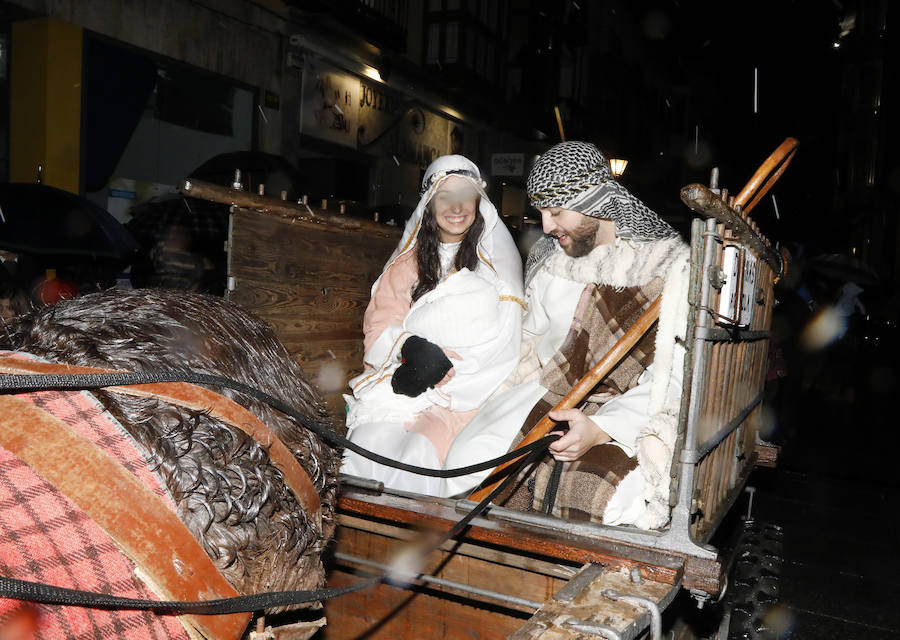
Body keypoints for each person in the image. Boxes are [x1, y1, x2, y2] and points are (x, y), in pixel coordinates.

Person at [441, 141, 691, 529]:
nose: (545, 226)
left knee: (603, 498)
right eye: (541, 212)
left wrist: (602, 429)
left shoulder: (668, 270)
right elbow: (526, 343)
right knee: (466, 467)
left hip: (624, 409)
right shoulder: (550, 261)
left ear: (594, 201)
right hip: (545, 393)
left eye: (556, 212)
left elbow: (671, 379)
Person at [341, 155, 525, 494]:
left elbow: (506, 339)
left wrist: (447, 374)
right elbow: (380, 324)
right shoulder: (408, 264)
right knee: (368, 442)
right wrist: (411, 349)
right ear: (429, 204)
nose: (456, 208)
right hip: (404, 379)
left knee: (417, 452)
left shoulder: (497, 265)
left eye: (465, 196)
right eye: (445, 197)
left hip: (466, 392)